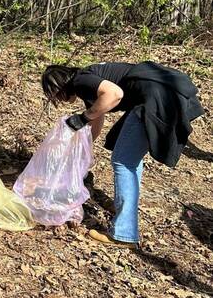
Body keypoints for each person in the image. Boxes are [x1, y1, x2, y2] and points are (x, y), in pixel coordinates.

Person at [41, 61, 204, 248]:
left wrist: (83, 117)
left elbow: (114, 94)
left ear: (59, 84)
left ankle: (123, 233)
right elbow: (97, 118)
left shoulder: (81, 80)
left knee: (123, 161)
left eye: (55, 93)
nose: (58, 99)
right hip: (167, 94)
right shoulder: (88, 84)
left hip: (155, 98)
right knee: (129, 161)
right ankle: (126, 220)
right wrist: (82, 150)